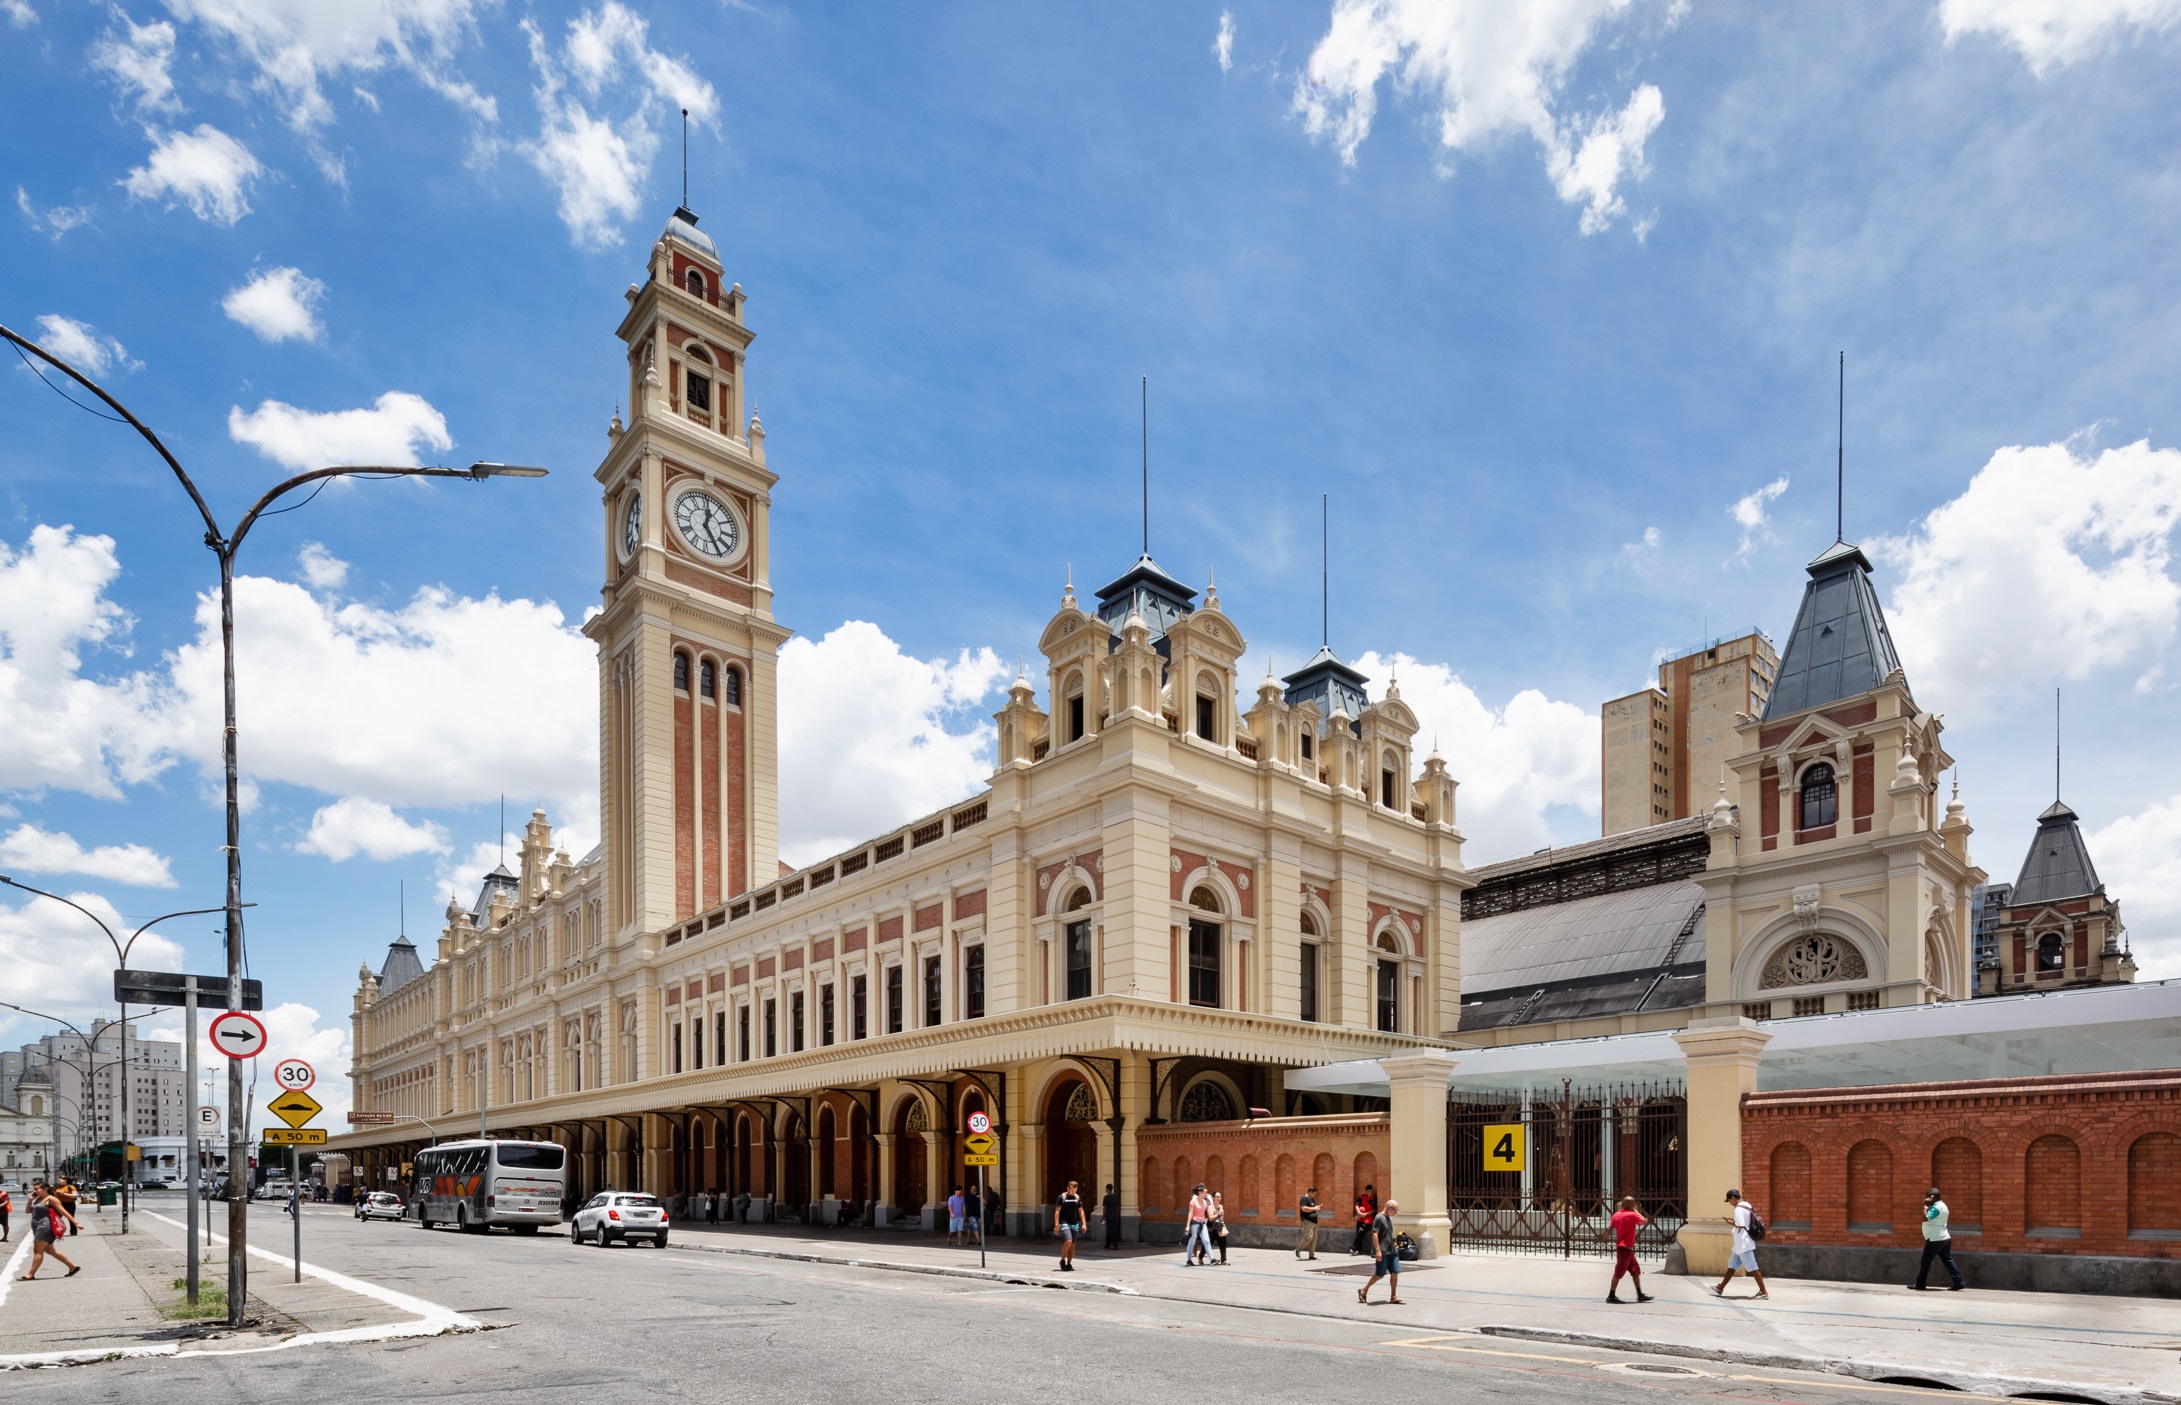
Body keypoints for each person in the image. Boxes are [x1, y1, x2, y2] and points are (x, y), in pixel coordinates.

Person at [1711, 1190, 1768, 1299]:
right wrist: (1735, 1222)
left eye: (1729, 1200)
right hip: (1742, 1244)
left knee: (1754, 1268)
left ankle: (1763, 1292)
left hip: (1743, 1244)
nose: (1729, 1203)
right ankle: (1720, 1287)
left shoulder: (1738, 1208)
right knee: (1732, 1265)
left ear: (1733, 1197)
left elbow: (1741, 1225)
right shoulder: (1747, 1205)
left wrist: (1730, 1222)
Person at [1912, 1186, 1965, 1292]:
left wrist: (1925, 1206)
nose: (1924, 1198)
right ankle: (1959, 1281)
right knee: (1948, 1260)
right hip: (1944, 1237)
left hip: (1935, 1239)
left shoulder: (1936, 1207)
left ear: (1931, 1197)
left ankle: (1920, 1283)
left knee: (1925, 1261)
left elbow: (1925, 1218)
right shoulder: (1943, 1205)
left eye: (1926, 1197)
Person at [24, 1181, 80, 1279]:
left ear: (45, 1189)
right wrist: (30, 1200)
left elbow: (64, 1212)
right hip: (37, 1227)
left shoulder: (51, 1199)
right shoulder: (37, 1199)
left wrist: (75, 1223)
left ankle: (30, 1274)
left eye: (37, 1189)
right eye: (34, 1189)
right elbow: (28, 1211)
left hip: (45, 1227)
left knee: (37, 1251)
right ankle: (73, 1267)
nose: (35, 1191)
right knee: (51, 1251)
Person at [1607, 1196, 1654, 1303]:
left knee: (1635, 1271)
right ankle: (1611, 1296)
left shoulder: (1616, 1215)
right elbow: (1645, 1222)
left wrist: (1605, 1236)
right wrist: (1636, 1211)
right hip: (1625, 1249)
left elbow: (1610, 1228)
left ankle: (1640, 1294)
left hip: (1625, 1249)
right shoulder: (1632, 1215)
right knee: (1618, 1273)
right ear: (1633, 1205)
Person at [1358, 1197, 1403, 1305]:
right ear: (1388, 1208)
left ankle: (1393, 1296)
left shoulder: (1388, 1218)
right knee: (1379, 1275)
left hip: (1392, 1250)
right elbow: (1374, 1233)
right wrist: (1378, 1250)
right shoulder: (1379, 1217)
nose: (1396, 1213)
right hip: (1383, 1251)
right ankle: (1364, 1290)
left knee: (1395, 1272)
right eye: (1395, 1210)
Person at [1053, 1179, 1085, 1271]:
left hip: (1074, 1222)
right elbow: (1057, 1211)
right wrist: (1056, 1224)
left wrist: (1084, 1223)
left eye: (1075, 1190)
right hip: (1064, 1222)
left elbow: (1081, 1210)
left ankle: (1069, 1264)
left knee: (1073, 1244)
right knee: (1068, 1241)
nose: (1073, 1192)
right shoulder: (1062, 1197)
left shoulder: (1077, 1197)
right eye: (1072, 1190)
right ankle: (1062, 1260)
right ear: (1068, 1188)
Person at [1182, 1184, 1214, 1266]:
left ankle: (1212, 1259)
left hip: (1203, 1223)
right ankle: (1189, 1260)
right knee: (1192, 1241)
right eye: (1205, 1193)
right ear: (1200, 1192)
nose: (1206, 1194)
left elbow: (1208, 1209)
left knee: (1206, 1241)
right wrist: (1188, 1225)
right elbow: (1190, 1213)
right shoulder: (1193, 1201)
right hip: (1194, 1223)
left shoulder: (1204, 1201)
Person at [1351, 1184, 1377, 1255]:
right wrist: (1359, 1212)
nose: (1370, 1193)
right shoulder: (1361, 1197)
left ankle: (1353, 1247)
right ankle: (1358, 1250)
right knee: (1359, 1234)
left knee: (1360, 1232)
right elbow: (1356, 1205)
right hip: (1360, 1218)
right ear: (1366, 1191)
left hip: (1368, 1220)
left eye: (1371, 1191)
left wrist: (1365, 1214)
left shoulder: (1374, 1198)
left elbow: (1374, 1210)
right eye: (1369, 1191)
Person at [1296, 1185, 1320, 1259]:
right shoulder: (1304, 1199)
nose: (1315, 1195)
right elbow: (1303, 1208)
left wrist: (1318, 1207)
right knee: (1308, 1237)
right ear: (1310, 1192)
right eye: (1314, 1194)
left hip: (1314, 1222)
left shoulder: (1312, 1199)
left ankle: (1311, 1255)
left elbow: (1312, 1208)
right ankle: (1298, 1250)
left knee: (1314, 1238)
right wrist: (1314, 1208)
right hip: (1307, 1221)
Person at [1209, 1191, 1231, 1265]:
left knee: (1223, 1244)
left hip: (1219, 1227)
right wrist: (1217, 1215)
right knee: (1209, 1243)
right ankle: (1200, 1256)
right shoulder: (1210, 1207)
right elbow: (1210, 1218)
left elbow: (1222, 1218)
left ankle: (1223, 1260)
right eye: (1217, 1197)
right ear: (1213, 1198)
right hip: (1212, 1229)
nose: (1219, 1198)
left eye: (1220, 1197)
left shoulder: (1221, 1206)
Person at [1102, 1182, 1121, 1250]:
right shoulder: (1116, 1197)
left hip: (1109, 1216)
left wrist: (1102, 1216)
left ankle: (1114, 1245)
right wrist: (1118, 1216)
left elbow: (1105, 1208)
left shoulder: (1106, 1197)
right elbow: (1118, 1207)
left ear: (1108, 1189)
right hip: (1114, 1216)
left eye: (1106, 1189)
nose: (1106, 1190)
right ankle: (1108, 1244)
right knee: (1113, 1230)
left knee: (1110, 1231)